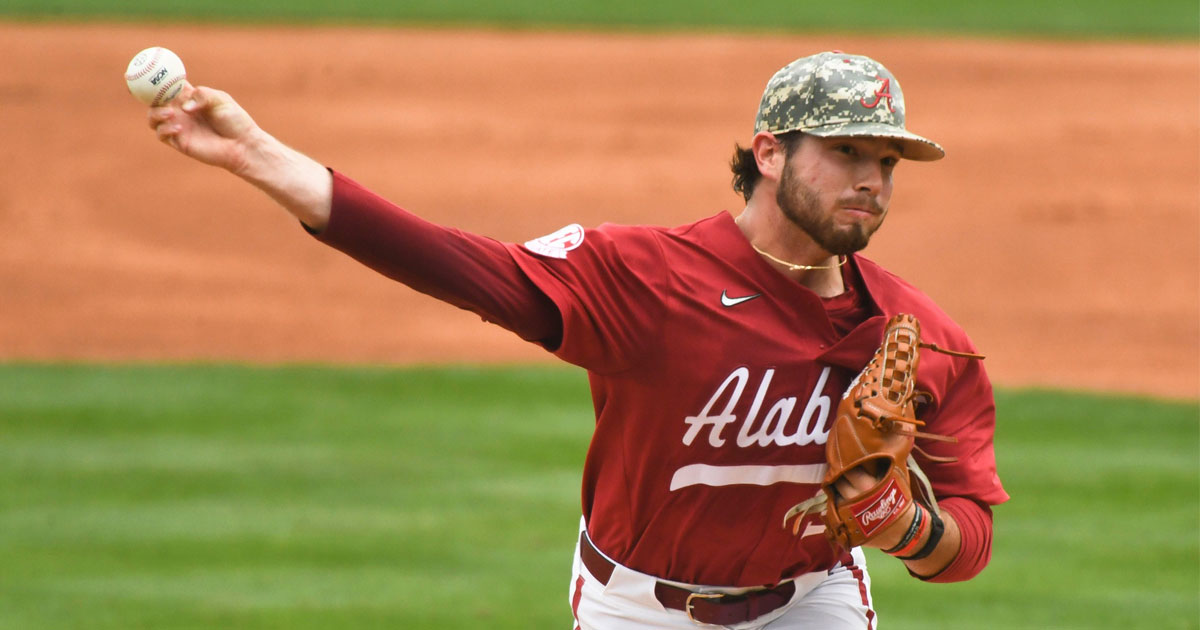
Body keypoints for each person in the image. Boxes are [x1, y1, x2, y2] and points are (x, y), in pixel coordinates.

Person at [147, 50, 1008, 629]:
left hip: (809, 600)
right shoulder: (645, 277)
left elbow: (969, 537)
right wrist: (261, 157)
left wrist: (904, 528)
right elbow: (458, 265)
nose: (871, 179)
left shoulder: (919, 336)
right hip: (639, 607)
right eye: (847, 150)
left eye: (888, 162)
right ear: (770, 153)